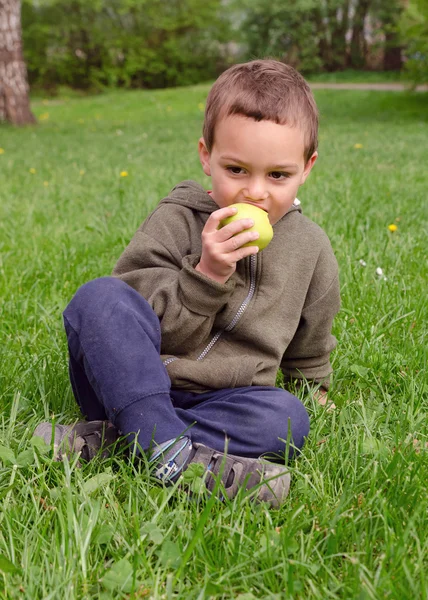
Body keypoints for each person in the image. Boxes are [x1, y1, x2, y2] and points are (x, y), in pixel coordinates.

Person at [34, 59, 340, 507]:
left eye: (277, 175)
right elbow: (130, 317)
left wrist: (316, 385)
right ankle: (177, 457)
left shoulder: (310, 248)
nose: (255, 192)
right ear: (205, 155)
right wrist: (207, 276)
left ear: (307, 167)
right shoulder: (176, 219)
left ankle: (130, 440)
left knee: (288, 418)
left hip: (225, 401)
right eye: (236, 170)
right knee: (98, 297)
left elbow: (312, 336)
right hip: (134, 378)